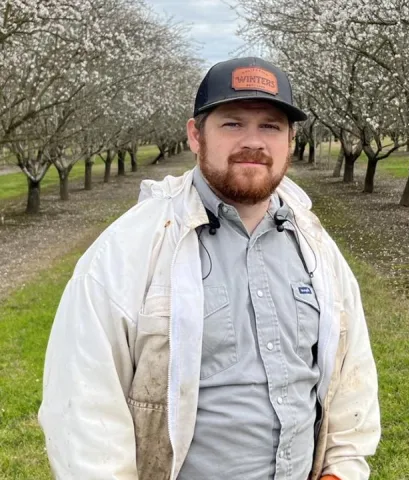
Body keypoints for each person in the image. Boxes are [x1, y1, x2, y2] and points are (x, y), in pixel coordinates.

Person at [39, 57, 381, 480]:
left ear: (291, 140)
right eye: (232, 124)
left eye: (271, 126)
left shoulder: (316, 246)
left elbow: (352, 372)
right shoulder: (128, 250)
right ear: (195, 135)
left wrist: (342, 470)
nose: (253, 142)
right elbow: (83, 411)